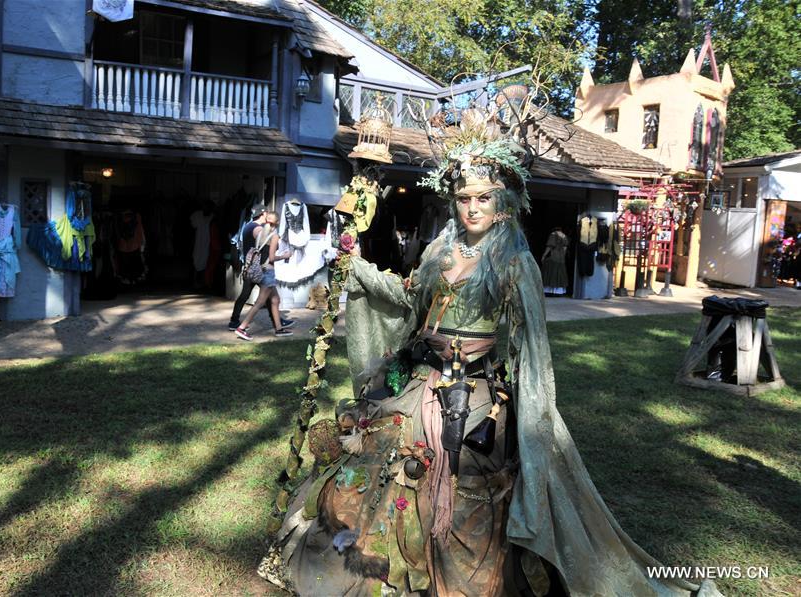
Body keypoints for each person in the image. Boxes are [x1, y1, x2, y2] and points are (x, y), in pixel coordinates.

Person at [259, 111, 720, 596]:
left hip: (476, 395)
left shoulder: (516, 263)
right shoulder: (439, 250)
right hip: (418, 383)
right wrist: (358, 270)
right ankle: (385, 572)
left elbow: (532, 349)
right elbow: (408, 299)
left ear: (504, 203)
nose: (472, 208)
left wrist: (535, 419)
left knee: (467, 489)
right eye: (464, 198)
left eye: (484, 198)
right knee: (378, 472)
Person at [229, 206, 294, 331]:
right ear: (263, 214)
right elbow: (268, 249)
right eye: (267, 213)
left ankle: (277, 324)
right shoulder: (258, 229)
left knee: (270, 296)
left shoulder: (248, 226)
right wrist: (278, 246)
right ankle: (237, 323)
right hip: (258, 267)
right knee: (257, 297)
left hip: (251, 265)